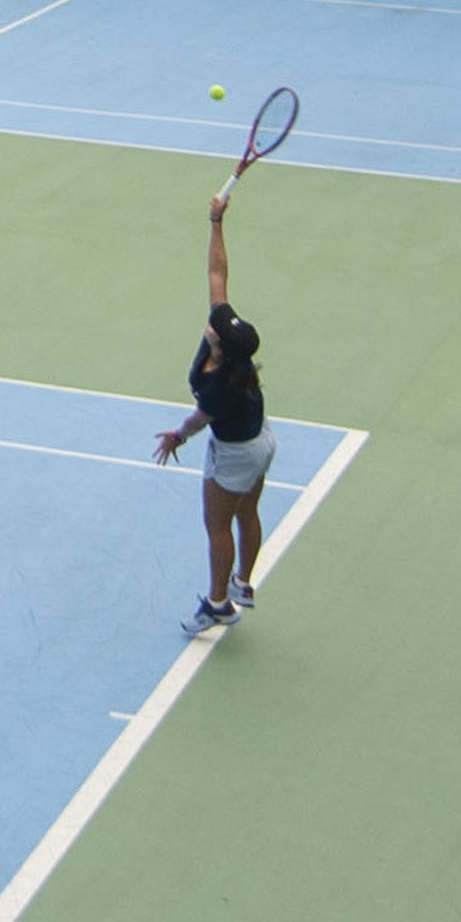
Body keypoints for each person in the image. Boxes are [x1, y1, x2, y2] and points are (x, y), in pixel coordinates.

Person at [150, 188, 269, 632]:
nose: (212, 317)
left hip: (236, 452)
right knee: (247, 512)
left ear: (218, 343)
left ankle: (219, 602)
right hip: (261, 442)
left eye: (215, 326)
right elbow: (217, 273)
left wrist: (177, 435)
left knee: (217, 526)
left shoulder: (219, 388)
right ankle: (243, 583)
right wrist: (217, 222)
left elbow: (199, 420)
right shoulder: (233, 359)